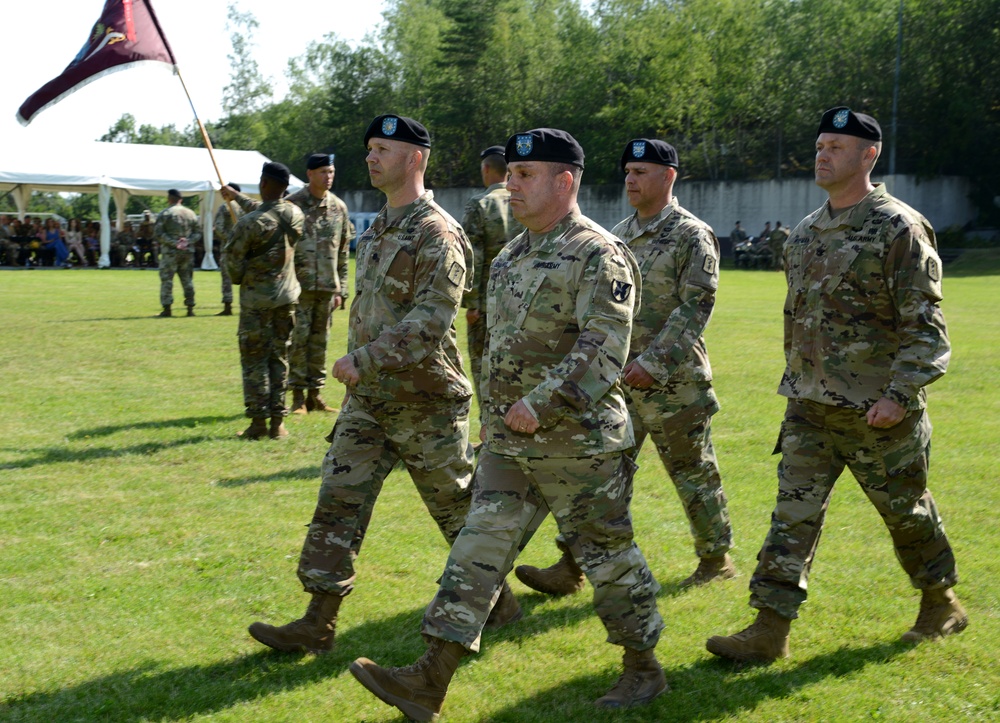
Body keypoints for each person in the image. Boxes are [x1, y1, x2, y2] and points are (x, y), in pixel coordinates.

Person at [349, 128, 666, 720]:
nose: (510, 185)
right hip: (508, 443)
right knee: (474, 551)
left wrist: (540, 404)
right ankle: (429, 678)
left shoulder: (599, 253)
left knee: (608, 558)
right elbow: (496, 351)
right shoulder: (513, 254)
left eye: (525, 176)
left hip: (581, 442)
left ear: (564, 181)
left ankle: (643, 666)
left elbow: (603, 350)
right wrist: (496, 420)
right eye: (511, 174)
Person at [246, 114, 519, 657]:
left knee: (458, 513)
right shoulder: (377, 227)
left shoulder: (438, 231)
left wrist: (363, 359)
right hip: (370, 401)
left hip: (426, 403)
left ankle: (501, 601)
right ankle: (317, 622)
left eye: (382, 149)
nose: (370, 157)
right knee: (338, 502)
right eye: (369, 148)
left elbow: (432, 320)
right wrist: (362, 373)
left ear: (414, 158)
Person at [706, 107, 967, 664]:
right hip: (810, 407)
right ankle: (769, 629)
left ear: (868, 155)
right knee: (790, 520)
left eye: (837, 146)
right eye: (820, 144)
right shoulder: (804, 233)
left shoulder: (898, 227)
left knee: (906, 515)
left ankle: (940, 600)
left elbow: (926, 329)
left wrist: (899, 396)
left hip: (878, 411)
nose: (823, 154)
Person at [515, 138, 735, 598]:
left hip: (675, 383)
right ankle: (572, 564)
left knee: (693, 473)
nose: (631, 181)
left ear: (668, 177)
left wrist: (654, 363)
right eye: (628, 173)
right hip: (617, 381)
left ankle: (716, 559)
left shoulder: (693, 235)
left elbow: (696, 307)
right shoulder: (617, 234)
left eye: (641, 173)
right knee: (600, 475)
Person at [222, 162, 303, 440]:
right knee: (280, 358)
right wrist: (236, 197)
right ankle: (278, 423)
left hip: (256, 303)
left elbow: (233, 268)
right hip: (287, 299)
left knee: (254, 362)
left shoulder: (248, 225)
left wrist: (245, 272)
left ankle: (258, 423)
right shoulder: (296, 214)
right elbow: (268, 210)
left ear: (263, 183)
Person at [284, 153, 354, 415]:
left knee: (320, 342)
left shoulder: (339, 207)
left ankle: (316, 395)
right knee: (298, 342)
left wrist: (341, 289)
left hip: (326, 288)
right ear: (310, 174)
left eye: (332, 172)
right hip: (298, 288)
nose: (329, 177)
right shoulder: (292, 205)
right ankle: (298, 397)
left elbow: (344, 252)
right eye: (324, 172)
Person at [461, 144, 523, 406]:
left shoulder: (480, 204)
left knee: (483, 367)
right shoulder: (524, 201)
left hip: (487, 305)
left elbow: (471, 257)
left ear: (486, 169)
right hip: (522, 301)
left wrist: (472, 303)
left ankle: (489, 430)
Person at [154, 189, 201, 317]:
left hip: (170, 252)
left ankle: (167, 308)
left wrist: (174, 243)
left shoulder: (165, 214)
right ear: (181, 199)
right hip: (187, 251)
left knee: (167, 280)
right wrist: (187, 241)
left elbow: (158, 233)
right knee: (187, 280)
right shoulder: (191, 213)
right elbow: (198, 233)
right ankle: (190, 308)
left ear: (169, 199)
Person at [213, 182, 245, 316]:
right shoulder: (245, 208)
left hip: (228, 248)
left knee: (227, 278)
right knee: (246, 277)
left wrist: (229, 239)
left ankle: (228, 305)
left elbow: (219, 228)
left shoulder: (225, 207)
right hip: (244, 247)